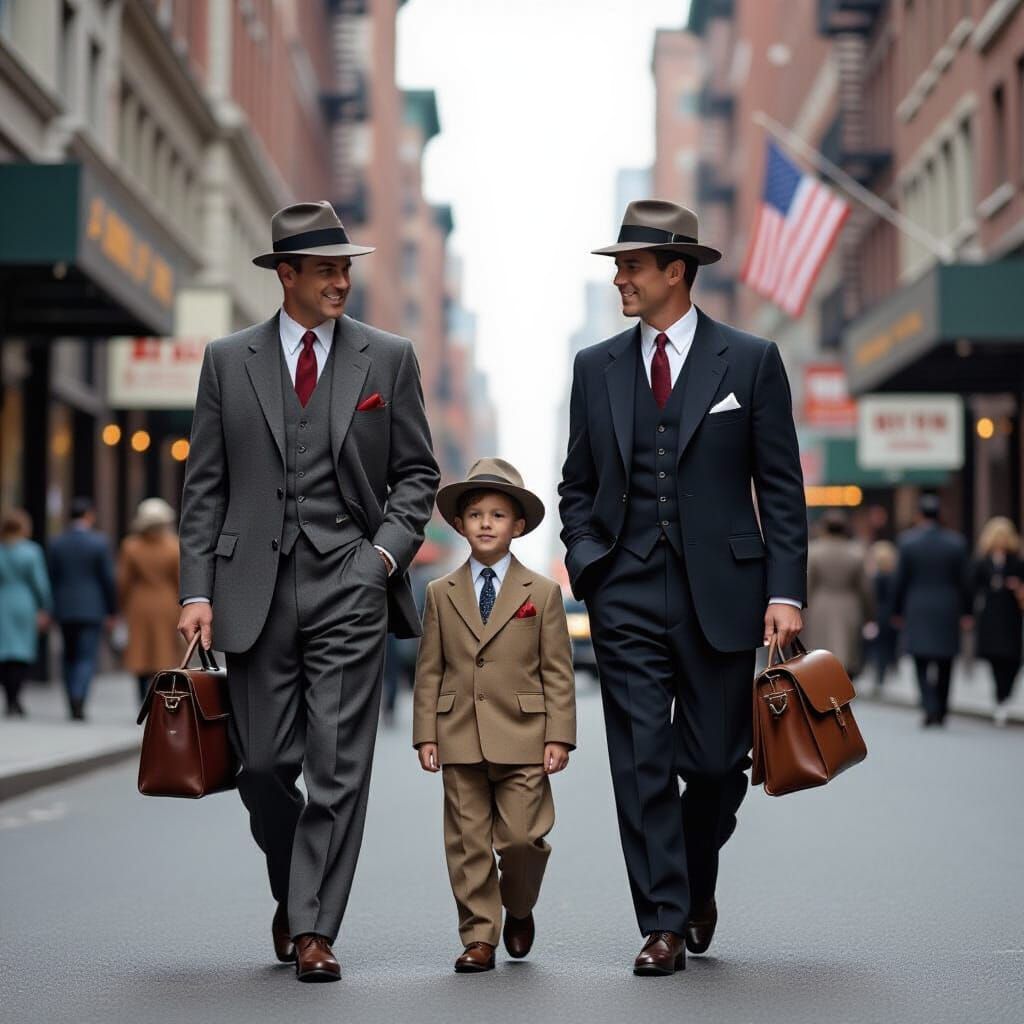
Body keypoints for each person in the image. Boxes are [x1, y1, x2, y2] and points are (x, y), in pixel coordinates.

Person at [177, 201, 439, 983]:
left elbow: (417, 472)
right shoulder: (229, 360)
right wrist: (197, 590)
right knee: (260, 766)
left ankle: (316, 928)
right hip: (251, 586)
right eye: (326, 269)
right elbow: (204, 488)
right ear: (284, 275)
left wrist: (382, 561)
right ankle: (297, 887)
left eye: (346, 267)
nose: (341, 281)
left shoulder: (386, 358)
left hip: (349, 584)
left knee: (336, 765)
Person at [559, 200, 807, 975]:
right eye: (616, 267)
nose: (619, 279)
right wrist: (589, 559)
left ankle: (698, 880)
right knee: (639, 760)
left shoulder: (752, 360)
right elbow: (576, 483)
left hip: (724, 593)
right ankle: (662, 921)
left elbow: (782, 487)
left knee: (712, 765)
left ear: (677, 271)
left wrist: (785, 591)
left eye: (631, 266)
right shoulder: (594, 366)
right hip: (624, 591)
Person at [412, 459, 576, 974]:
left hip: (525, 735)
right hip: (458, 731)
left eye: (498, 515)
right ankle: (480, 936)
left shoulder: (543, 594)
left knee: (522, 839)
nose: (486, 523)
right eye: (476, 514)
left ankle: (519, 907)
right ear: (459, 525)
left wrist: (560, 736)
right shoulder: (440, 593)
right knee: (467, 843)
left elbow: (558, 671)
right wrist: (425, 734)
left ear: (518, 526)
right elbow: (429, 668)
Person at [892, 493, 971, 728]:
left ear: (919, 515)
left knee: (920, 661)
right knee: (946, 661)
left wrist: (897, 611)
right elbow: (965, 581)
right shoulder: (956, 543)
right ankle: (942, 709)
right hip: (948, 607)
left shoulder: (907, 542)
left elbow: (900, 580)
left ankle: (929, 706)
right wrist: (967, 612)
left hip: (918, 607)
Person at [47, 497, 117, 720]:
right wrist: (112, 611)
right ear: (89, 515)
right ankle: (79, 697)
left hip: (64, 608)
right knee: (86, 657)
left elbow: (51, 577)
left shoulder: (57, 542)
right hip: (92, 608)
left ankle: (71, 699)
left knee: (68, 655)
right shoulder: (99, 542)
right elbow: (108, 579)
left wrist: (50, 608)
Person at [117, 498, 184, 704]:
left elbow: (123, 581)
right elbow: (180, 579)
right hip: (167, 602)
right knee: (163, 653)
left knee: (140, 652)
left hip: (139, 603)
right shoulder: (174, 546)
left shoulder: (131, 546)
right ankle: (159, 699)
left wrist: (122, 604)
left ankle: (141, 699)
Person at [803, 510, 873, 676]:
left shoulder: (813, 551)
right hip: (849, 604)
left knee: (819, 654)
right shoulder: (856, 552)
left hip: (820, 605)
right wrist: (870, 614)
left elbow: (808, 584)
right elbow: (865, 588)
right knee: (846, 652)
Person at [970, 516, 1023, 726]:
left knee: (1013, 659)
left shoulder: (1017, 562)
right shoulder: (982, 562)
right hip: (991, 615)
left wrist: (1016, 585)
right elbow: (972, 585)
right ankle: (1000, 698)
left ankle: (1005, 695)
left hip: (1011, 615)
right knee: (994, 658)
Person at [0, 509, 52, 717]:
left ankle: (10, 698)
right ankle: (16, 698)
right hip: (24, 603)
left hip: (3, 603)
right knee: (21, 652)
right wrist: (45, 607)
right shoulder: (31, 551)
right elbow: (40, 583)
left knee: (4, 652)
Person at [866, 540, 900, 693]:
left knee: (878, 647)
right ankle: (888, 669)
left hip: (878, 614)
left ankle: (879, 676)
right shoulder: (893, 575)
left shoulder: (876, 577)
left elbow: (872, 597)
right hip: (890, 614)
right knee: (888, 645)